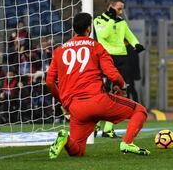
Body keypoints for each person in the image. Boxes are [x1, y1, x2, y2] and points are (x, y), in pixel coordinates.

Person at [46, 12, 150, 159]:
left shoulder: (59, 50)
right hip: (98, 101)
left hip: (76, 107)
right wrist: (122, 85)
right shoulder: (96, 46)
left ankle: (65, 138)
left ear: (74, 28)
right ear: (89, 28)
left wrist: (63, 102)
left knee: (78, 151)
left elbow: (49, 82)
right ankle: (127, 143)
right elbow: (112, 74)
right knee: (140, 111)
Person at [93, 0, 145, 138]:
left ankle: (108, 129)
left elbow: (129, 35)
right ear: (110, 7)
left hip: (122, 58)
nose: (121, 12)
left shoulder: (121, 22)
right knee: (104, 92)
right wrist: (110, 19)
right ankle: (95, 123)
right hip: (107, 58)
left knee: (120, 91)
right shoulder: (98, 20)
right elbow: (103, 35)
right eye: (119, 9)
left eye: (122, 9)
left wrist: (136, 44)